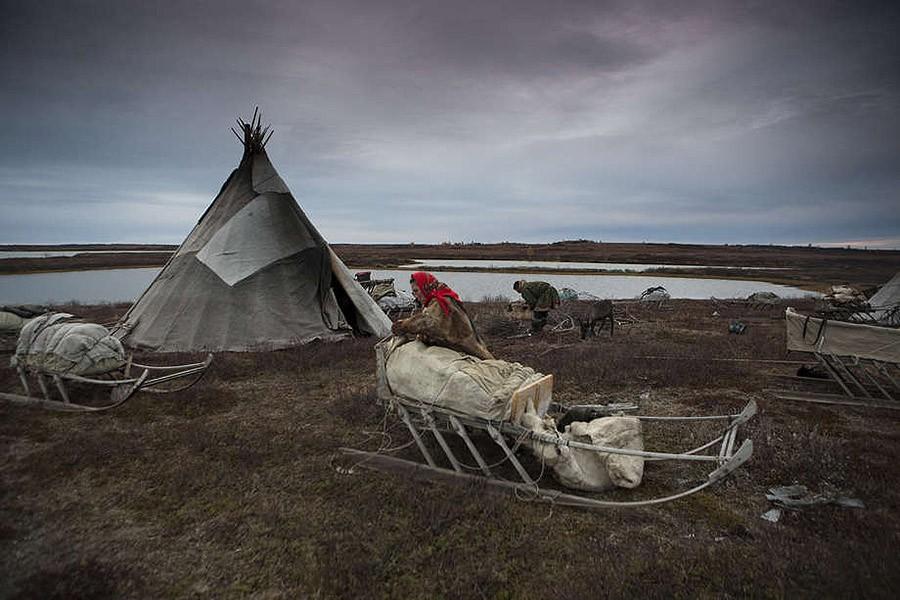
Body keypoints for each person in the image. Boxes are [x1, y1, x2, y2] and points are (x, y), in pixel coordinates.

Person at [391, 272, 494, 360]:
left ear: (425, 287)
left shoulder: (440, 301)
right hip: (461, 345)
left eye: (417, 291)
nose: (416, 296)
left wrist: (404, 325)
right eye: (413, 292)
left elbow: (429, 322)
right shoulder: (439, 297)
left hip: (464, 348)